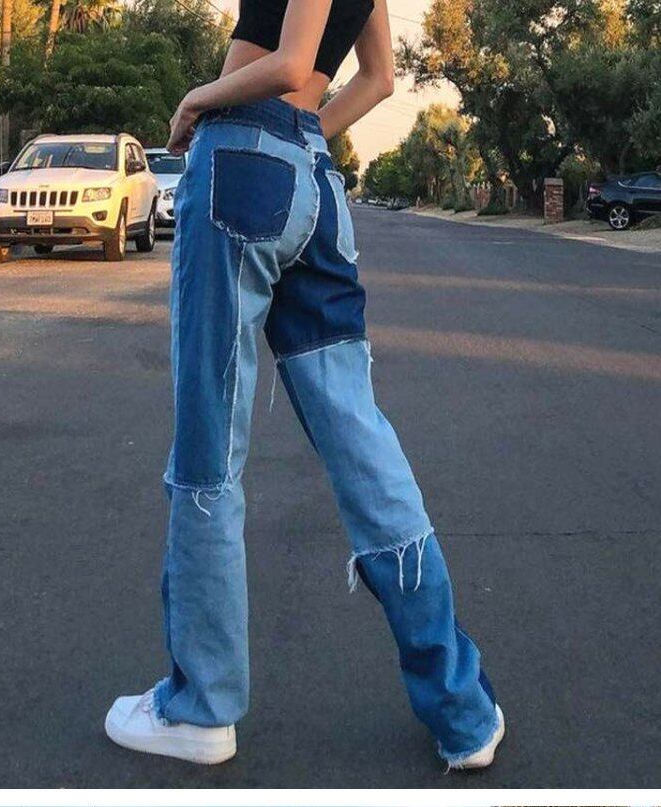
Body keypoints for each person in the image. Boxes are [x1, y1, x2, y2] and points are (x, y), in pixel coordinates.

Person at [105, 0, 505, 770]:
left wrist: (197, 100)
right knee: (362, 442)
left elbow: (289, 63)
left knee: (210, 442)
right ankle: (464, 711)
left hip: (240, 163)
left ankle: (201, 706)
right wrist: (303, 137)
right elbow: (379, 78)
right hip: (314, 178)